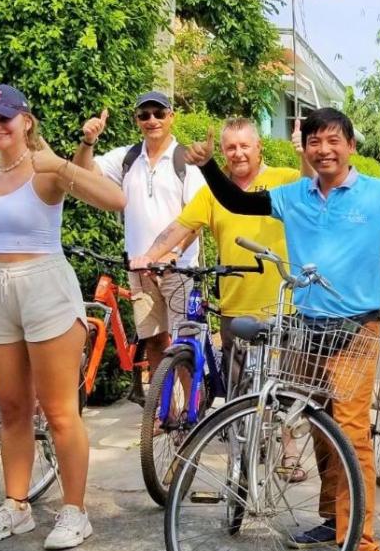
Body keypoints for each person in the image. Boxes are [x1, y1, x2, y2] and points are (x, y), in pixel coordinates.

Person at [183, 107, 380, 551]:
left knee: (352, 434)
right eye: (315, 141)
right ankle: (331, 518)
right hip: (307, 327)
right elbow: (238, 202)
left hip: (357, 329)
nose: (324, 150)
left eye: (333, 140)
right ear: (307, 148)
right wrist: (207, 165)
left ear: (351, 146)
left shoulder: (379, 195)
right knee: (318, 423)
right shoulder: (294, 195)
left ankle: (361, 547)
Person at [0, 85, 126, 550]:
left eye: (4, 117)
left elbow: (115, 201)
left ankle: (75, 511)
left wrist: (63, 164)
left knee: (59, 411)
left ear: (26, 121)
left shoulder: (46, 168)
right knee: (12, 409)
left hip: (45, 286)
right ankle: (16, 505)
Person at [130, 116, 307, 478]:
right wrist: (150, 255)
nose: (238, 153)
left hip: (281, 301)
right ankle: (241, 458)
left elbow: (311, 183)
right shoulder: (214, 191)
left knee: (283, 383)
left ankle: (289, 451)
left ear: (259, 147)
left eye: (244, 146)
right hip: (234, 305)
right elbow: (180, 226)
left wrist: (303, 152)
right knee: (238, 387)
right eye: (231, 147)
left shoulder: (284, 179)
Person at [73, 91, 205, 389]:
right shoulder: (127, 158)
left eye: (159, 113)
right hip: (140, 270)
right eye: (144, 115)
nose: (152, 120)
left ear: (171, 117)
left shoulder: (185, 160)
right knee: (154, 341)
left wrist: (174, 253)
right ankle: (161, 407)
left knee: (183, 343)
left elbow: (197, 218)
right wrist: (88, 141)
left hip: (179, 269)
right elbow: (82, 172)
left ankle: (190, 409)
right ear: (137, 120)